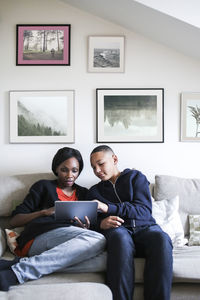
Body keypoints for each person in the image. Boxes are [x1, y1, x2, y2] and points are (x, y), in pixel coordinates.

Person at [0, 147, 106, 291]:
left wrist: (85, 228)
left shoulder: (84, 193)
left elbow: (88, 229)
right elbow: (14, 220)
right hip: (39, 237)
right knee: (98, 239)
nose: (70, 175)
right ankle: (17, 273)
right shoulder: (43, 186)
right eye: (64, 170)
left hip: (69, 243)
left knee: (106, 260)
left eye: (75, 170)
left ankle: (23, 264)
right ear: (56, 169)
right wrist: (44, 212)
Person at [88, 145, 173, 300]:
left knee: (161, 239)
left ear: (114, 159)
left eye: (101, 164)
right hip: (118, 230)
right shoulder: (95, 191)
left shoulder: (136, 177)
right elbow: (89, 221)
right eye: (93, 167)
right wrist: (100, 224)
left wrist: (108, 208)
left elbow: (143, 210)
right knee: (119, 238)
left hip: (146, 229)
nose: (97, 170)